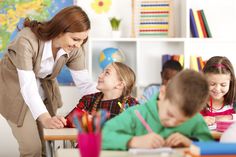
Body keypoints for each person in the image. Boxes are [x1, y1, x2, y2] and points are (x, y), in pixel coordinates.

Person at [0, 6, 97, 157]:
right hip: (14, 89)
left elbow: (85, 84)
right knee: (32, 149)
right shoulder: (26, 40)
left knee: (46, 147)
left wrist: (109, 100)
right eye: (75, 39)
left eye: (83, 40)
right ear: (60, 30)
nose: (78, 45)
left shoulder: (75, 48)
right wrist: (45, 118)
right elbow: (28, 87)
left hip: (42, 90)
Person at [102, 69, 213, 150]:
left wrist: (191, 143)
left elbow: (210, 146)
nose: (172, 123)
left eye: (181, 121)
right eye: (170, 114)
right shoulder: (136, 114)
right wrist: (133, 141)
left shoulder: (196, 119)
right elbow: (101, 136)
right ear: (163, 93)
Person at [65, 62, 138, 127]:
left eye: (107, 73)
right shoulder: (89, 99)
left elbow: (141, 127)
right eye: (102, 72)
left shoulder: (131, 104)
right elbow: (68, 121)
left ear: (119, 84)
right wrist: (59, 122)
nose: (99, 76)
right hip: (89, 142)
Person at [200, 56, 236, 126]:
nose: (217, 89)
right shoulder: (196, 101)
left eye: (223, 85)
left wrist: (230, 117)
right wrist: (199, 121)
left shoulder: (234, 101)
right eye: (212, 84)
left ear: (231, 82)